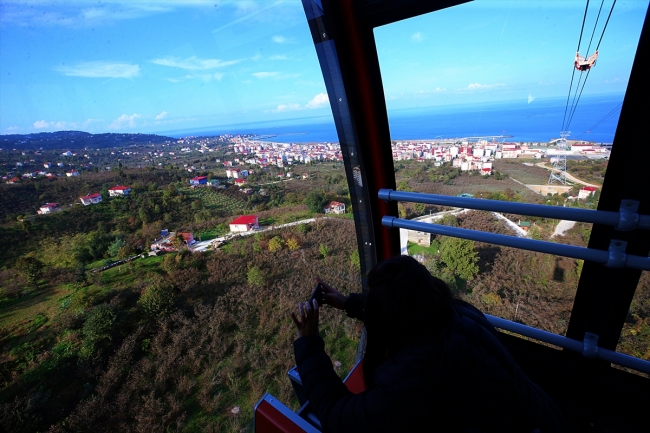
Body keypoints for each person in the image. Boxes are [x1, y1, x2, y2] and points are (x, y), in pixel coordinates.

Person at [290, 255, 566, 433]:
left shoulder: (412, 382)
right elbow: (406, 309)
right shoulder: (457, 314)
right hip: (541, 417)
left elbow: (337, 416)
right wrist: (351, 303)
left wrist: (309, 343)